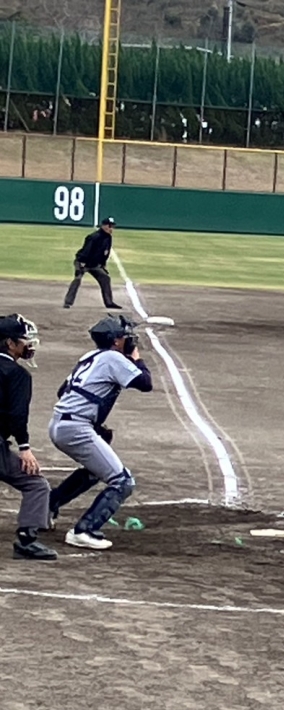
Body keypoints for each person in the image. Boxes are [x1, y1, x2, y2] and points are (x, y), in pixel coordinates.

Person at [48, 315, 153, 550]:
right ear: (116, 341)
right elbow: (145, 383)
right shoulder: (113, 358)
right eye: (125, 337)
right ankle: (84, 531)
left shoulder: (90, 356)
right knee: (123, 481)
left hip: (61, 424)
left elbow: (63, 391)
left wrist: (92, 424)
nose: (129, 340)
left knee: (95, 471)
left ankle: (47, 506)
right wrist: (136, 358)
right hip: (75, 428)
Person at [0, 314, 58, 560]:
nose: (28, 344)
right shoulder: (17, 374)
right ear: (10, 343)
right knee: (36, 484)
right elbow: (17, 414)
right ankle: (27, 540)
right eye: (24, 339)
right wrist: (24, 447)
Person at [63, 217, 123, 310]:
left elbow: (105, 252)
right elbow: (86, 251)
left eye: (112, 226)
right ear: (104, 226)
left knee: (105, 278)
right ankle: (68, 302)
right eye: (110, 226)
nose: (111, 228)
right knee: (77, 279)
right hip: (82, 262)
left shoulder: (108, 238)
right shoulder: (93, 237)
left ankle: (109, 302)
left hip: (94, 264)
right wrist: (82, 263)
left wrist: (103, 264)